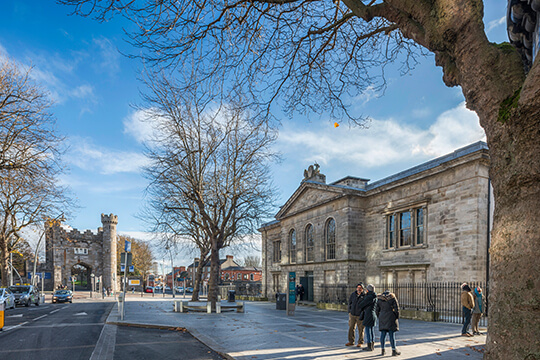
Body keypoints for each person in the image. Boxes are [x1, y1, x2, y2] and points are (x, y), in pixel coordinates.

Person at [376, 290, 401, 356]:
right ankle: (393, 350)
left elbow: (377, 310)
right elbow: (396, 308)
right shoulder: (392, 298)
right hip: (391, 316)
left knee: (383, 334)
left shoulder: (379, 299)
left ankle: (383, 350)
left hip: (382, 316)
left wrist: (379, 316)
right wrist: (396, 316)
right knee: (391, 335)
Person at [359, 284, 378, 351]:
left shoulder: (369, 297)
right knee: (372, 331)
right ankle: (372, 345)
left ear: (368, 290)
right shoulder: (374, 296)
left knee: (368, 330)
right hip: (373, 314)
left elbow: (361, 304)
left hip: (368, 315)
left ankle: (369, 345)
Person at [346, 283, 365, 347]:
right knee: (351, 328)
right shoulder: (353, 294)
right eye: (358, 288)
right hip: (352, 314)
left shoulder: (364, 295)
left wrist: (363, 313)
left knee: (361, 329)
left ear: (362, 289)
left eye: (360, 288)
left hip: (360, 315)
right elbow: (349, 303)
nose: (359, 289)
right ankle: (351, 341)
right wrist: (349, 311)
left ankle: (360, 342)